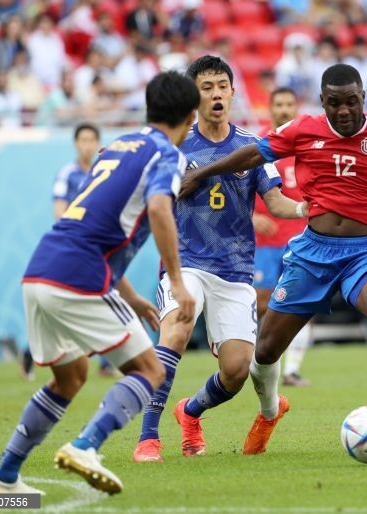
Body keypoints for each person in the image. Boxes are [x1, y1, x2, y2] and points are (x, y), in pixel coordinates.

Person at [180, 63, 367, 455]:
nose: (344, 111)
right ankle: (264, 412)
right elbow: (251, 156)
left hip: (365, 251)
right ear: (323, 102)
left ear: (363, 97)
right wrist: (202, 173)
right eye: (335, 103)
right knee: (264, 352)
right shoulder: (304, 130)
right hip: (312, 253)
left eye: (351, 102)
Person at [0, 70, 199, 495]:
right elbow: (158, 209)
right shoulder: (167, 155)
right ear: (189, 117)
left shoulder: (116, 147)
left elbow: (99, 224)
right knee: (150, 369)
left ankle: (3, 480)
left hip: (41, 270)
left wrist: (132, 296)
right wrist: (177, 281)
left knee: (70, 377)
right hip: (80, 275)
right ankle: (87, 445)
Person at [132, 56, 305, 463]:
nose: (215, 93)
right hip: (185, 263)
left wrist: (305, 210)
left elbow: (276, 200)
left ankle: (190, 412)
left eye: (221, 86)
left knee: (237, 370)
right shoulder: (176, 146)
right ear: (195, 95)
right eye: (206, 87)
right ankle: (148, 438)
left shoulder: (253, 147)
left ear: (232, 91)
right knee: (175, 329)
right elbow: (151, 198)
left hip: (234, 271)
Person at [19, 123, 108, 381]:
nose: (88, 145)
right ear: (76, 143)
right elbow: (58, 211)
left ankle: (104, 361)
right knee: (74, 300)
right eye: (83, 140)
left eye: (93, 139)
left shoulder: (102, 171)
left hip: (95, 245)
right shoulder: (66, 174)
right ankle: (29, 351)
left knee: (99, 295)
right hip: (72, 246)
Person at [253, 87, 312, 387]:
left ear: (296, 106)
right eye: (279, 104)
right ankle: (251, 361)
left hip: (299, 239)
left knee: (301, 303)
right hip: (264, 242)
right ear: (270, 108)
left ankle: (292, 370)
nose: (285, 109)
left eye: (290, 103)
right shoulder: (259, 144)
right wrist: (253, 217)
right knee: (260, 302)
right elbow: (240, 188)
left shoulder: (307, 145)